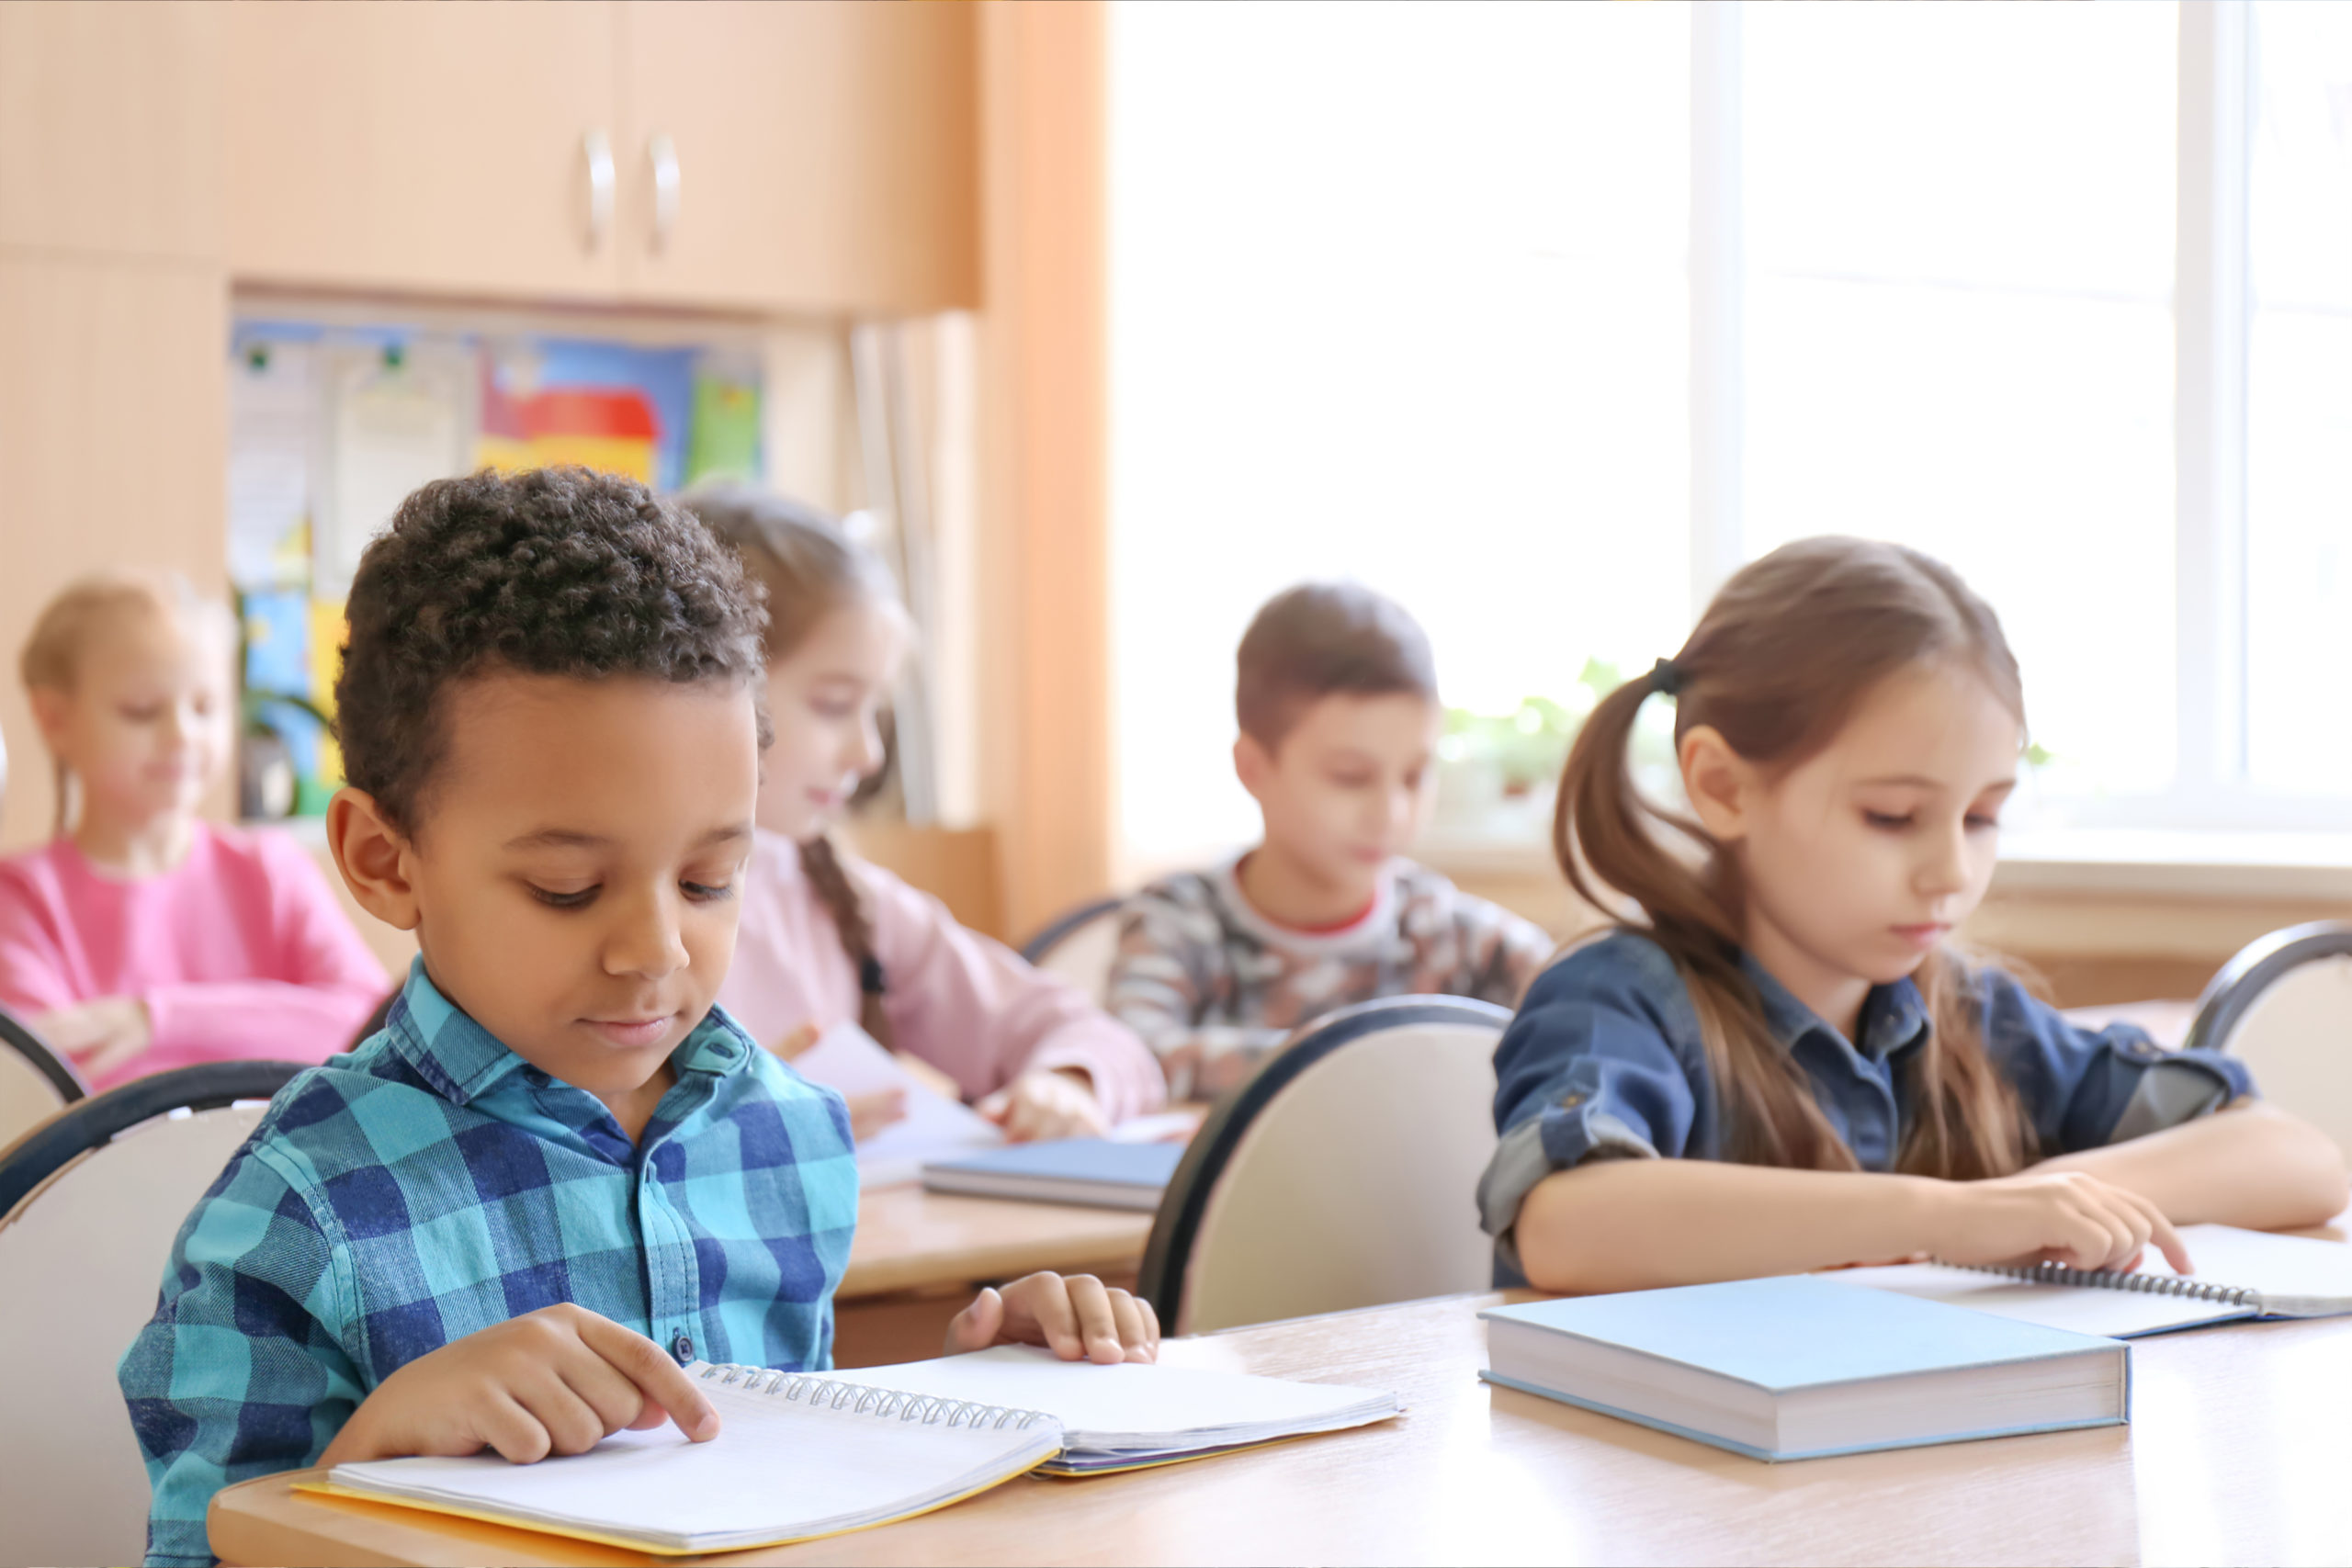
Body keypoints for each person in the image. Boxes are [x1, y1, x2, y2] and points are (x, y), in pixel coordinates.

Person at [118, 469, 1158, 1568]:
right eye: (567, 889)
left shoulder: (785, 1131)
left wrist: (975, 1391)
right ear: (386, 861)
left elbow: (776, 1493)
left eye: (710, 880)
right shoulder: (297, 1214)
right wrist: (376, 1459)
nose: (655, 950)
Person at [1481, 536, 2350, 1294]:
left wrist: (2043, 1198)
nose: (1951, 871)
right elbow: (1567, 1223)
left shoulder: (1970, 1013)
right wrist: (1944, 1216)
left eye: (1982, 817)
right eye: (1892, 816)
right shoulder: (1618, 998)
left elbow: (2296, 1158)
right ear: (1721, 786)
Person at [683, 485, 1164, 1141]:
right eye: (831, 704)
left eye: (872, 708)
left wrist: (1066, 1081)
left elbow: (1093, 1037)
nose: (869, 753)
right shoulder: (614, 913)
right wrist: (747, 1131)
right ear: (704, 687)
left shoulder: (842, 898)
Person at [1106, 582, 1556, 1099]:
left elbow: (1584, 1016)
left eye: (1415, 776)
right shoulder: (1178, 921)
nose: (1391, 813)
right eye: (1350, 777)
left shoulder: (1457, 936)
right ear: (1253, 768)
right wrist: (1377, 1060)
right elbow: (1130, 1057)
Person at [0, 570, 384, 1089]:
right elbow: (42, 1083)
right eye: (141, 711)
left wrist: (152, 1020)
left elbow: (368, 1023)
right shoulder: (21, 898)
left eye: (205, 707)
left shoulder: (270, 867)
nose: (182, 734)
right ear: (53, 719)